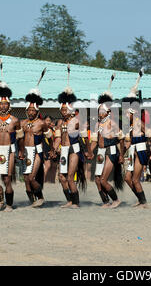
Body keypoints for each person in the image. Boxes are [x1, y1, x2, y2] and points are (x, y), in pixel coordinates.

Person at [51, 65, 87, 208]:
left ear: (70, 110)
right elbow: (58, 138)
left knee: (71, 177)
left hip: (74, 149)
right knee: (61, 177)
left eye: (66, 109)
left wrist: (88, 150)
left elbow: (83, 136)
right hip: (64, 150)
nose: (64, 111)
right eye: (62, 109)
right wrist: (54, 149)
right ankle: (70, 200)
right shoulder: (60, 122)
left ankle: (76, 203)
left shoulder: (76, 121)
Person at [88, 74, 124, 208]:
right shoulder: (97, 125)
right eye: (99, 111)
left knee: (103, 179)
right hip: (101, 151)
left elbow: (120, 139)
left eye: (101, 111)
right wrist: (90, 151)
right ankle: (105, 202)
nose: (99, 113)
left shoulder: (112, 123)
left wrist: (121, 155)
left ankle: (116, 200)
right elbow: (94, 141)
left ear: (107, 112)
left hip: (112, 151)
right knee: (97, 180)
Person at [122, 68, 151, 207]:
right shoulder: (129, 125)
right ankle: (140, 199)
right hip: (133, 152)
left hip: (141, 151)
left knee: (135, 179)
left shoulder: (139, 123)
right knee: (127, 178)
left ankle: (144, 202)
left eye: (126, 113)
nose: (124, 115)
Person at [0, 78, 24, 212]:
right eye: (1, 104)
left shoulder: (15, 121)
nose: (3, 106)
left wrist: (21, 151)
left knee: (7, 178)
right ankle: (0, 201)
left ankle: (9, 205)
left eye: (5, 104)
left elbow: (20, 138)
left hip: (10, 150)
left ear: (8, 105)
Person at [21, 81, 49, 208]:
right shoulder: (23, 123)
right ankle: (32, 201)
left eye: (33, 110)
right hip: (26, 152)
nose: (31, 112)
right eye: (29, 110)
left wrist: (51, 150)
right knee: (26, 180)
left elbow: (50, 137)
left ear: (37, 111)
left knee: (32, 177)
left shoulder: (42, 123)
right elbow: (18, 138)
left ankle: (41, 197)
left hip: (37, 151)